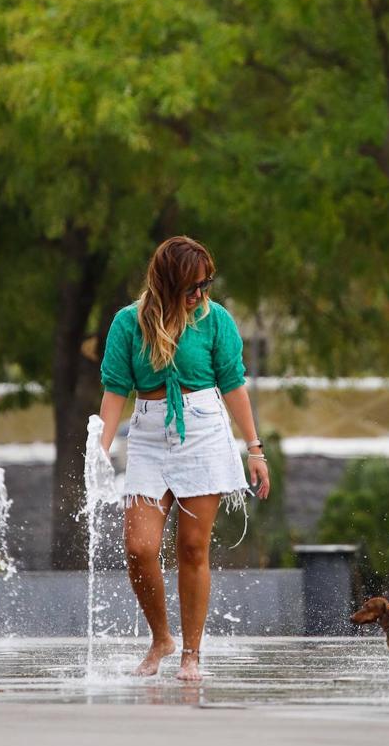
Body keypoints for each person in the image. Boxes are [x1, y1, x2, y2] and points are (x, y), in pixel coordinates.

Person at [99, 236, 269, 681]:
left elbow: (233, 384)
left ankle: (191, 653)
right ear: (167, 283)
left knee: (193, 548)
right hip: (150, 435)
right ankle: (161, 638)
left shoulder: (216, 321)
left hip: (204, 432)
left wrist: (255, 448)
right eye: (192, 287)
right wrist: (97, 451)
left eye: (206, 284)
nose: (201, 294)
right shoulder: (128, 323)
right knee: (139, 547)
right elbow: (116, 389)